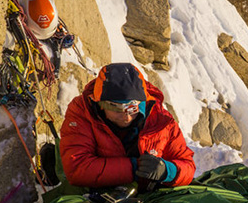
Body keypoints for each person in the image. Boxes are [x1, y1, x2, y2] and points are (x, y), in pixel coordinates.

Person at [60, 62, 195, 189]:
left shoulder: (160, 119)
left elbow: (187, 165)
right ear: (100, 104)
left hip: (151, 195)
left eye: (132, 108)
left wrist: (167, 171)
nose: (127, 117)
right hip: (98, 193)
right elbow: (77, 167)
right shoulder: (83, 112)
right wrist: (134, 167)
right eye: (117, 108)